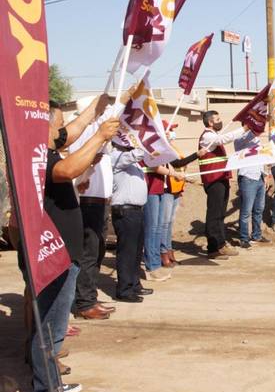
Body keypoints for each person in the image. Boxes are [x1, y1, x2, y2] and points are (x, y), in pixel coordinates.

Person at [31, 97, 119, 392]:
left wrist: (96, 107)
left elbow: (73, 131)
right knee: (49, 327)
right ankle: (46, 390)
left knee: (53, 326)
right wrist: (99, 136)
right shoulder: (40, 155)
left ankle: (50, 384)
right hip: (53, 252)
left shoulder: (48, 147)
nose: (62, 133)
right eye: (57, 126)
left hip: (64, 251)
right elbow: (66, 170)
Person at [70, 91, 132, 320]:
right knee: (89, 253)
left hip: (99, 200)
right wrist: (125, 96)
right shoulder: (89, 130)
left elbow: (118, 108)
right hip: (88, 200)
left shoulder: (98, 130)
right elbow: (116, 110)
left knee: (96, 252)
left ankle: (89, 297)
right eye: (103, 108)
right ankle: (84, 302)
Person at [198, 110, 247, 260]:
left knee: (220, 214)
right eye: (217, 119)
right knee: (214, 214)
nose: (221, 121)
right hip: (213, 180)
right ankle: (213, 248)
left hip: (221, 178)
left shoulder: (213, 136)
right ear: (210, 122)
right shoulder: (207, 136)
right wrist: (244, 128)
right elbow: (225, 139)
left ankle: (220, 244)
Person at [110, 140, 154, 303]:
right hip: (125, 210)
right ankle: (124, 289)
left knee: (136, 252)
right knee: (127, 252)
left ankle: (134, 284)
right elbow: (135, 154)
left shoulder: (132, 160)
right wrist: (146, 142)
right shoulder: (116, 156)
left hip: (136, 210)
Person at [159, 121, 206, 267]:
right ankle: (163, 252)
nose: (172, 132)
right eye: (170, 129)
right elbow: (177, 163)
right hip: (166, 189)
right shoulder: (161, 147)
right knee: (164, 223)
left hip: (176, 188)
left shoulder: (172, 146)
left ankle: (168, 249)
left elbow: (180, 167)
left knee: (169, 222)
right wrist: (196, 155)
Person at [235, 131, 268, 248]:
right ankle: (244, 238)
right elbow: (249, 135)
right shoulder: (240, 140)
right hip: (247, 178)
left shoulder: (256, 140)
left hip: (259, 177)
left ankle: (256, 235)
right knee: (246, 211)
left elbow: (261, 157)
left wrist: (266, 175)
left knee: (259, 209)